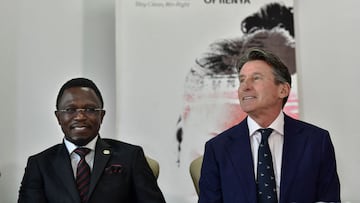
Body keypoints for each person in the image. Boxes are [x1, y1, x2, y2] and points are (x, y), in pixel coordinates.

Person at [198, 48, 340, 203]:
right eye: (242, 80)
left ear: (283, 90)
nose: (245, 87)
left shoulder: (317, 142)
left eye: (256, 78)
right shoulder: (217, 149)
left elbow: (329, 199)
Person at [18, 77, 166, 203]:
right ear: (58, 117)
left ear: (102, 115)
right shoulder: (40, 164)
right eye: (70, 110)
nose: (80, 117)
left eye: (90, 109)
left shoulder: (130, 156)